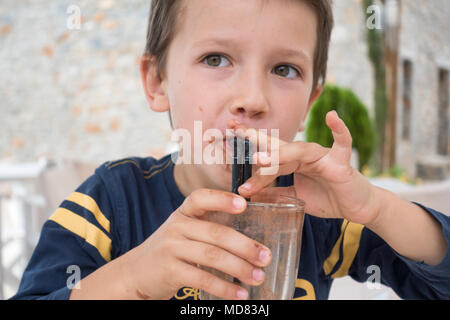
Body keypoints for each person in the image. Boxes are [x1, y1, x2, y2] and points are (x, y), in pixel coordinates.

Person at [12, 0, 450, 300]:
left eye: (284, 69)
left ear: (309, 104)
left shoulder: (320, 215)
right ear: (157, 81)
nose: (253, 99)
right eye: (217, 59)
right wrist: (132, 278)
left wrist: (375, 208)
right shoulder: (109, 204)